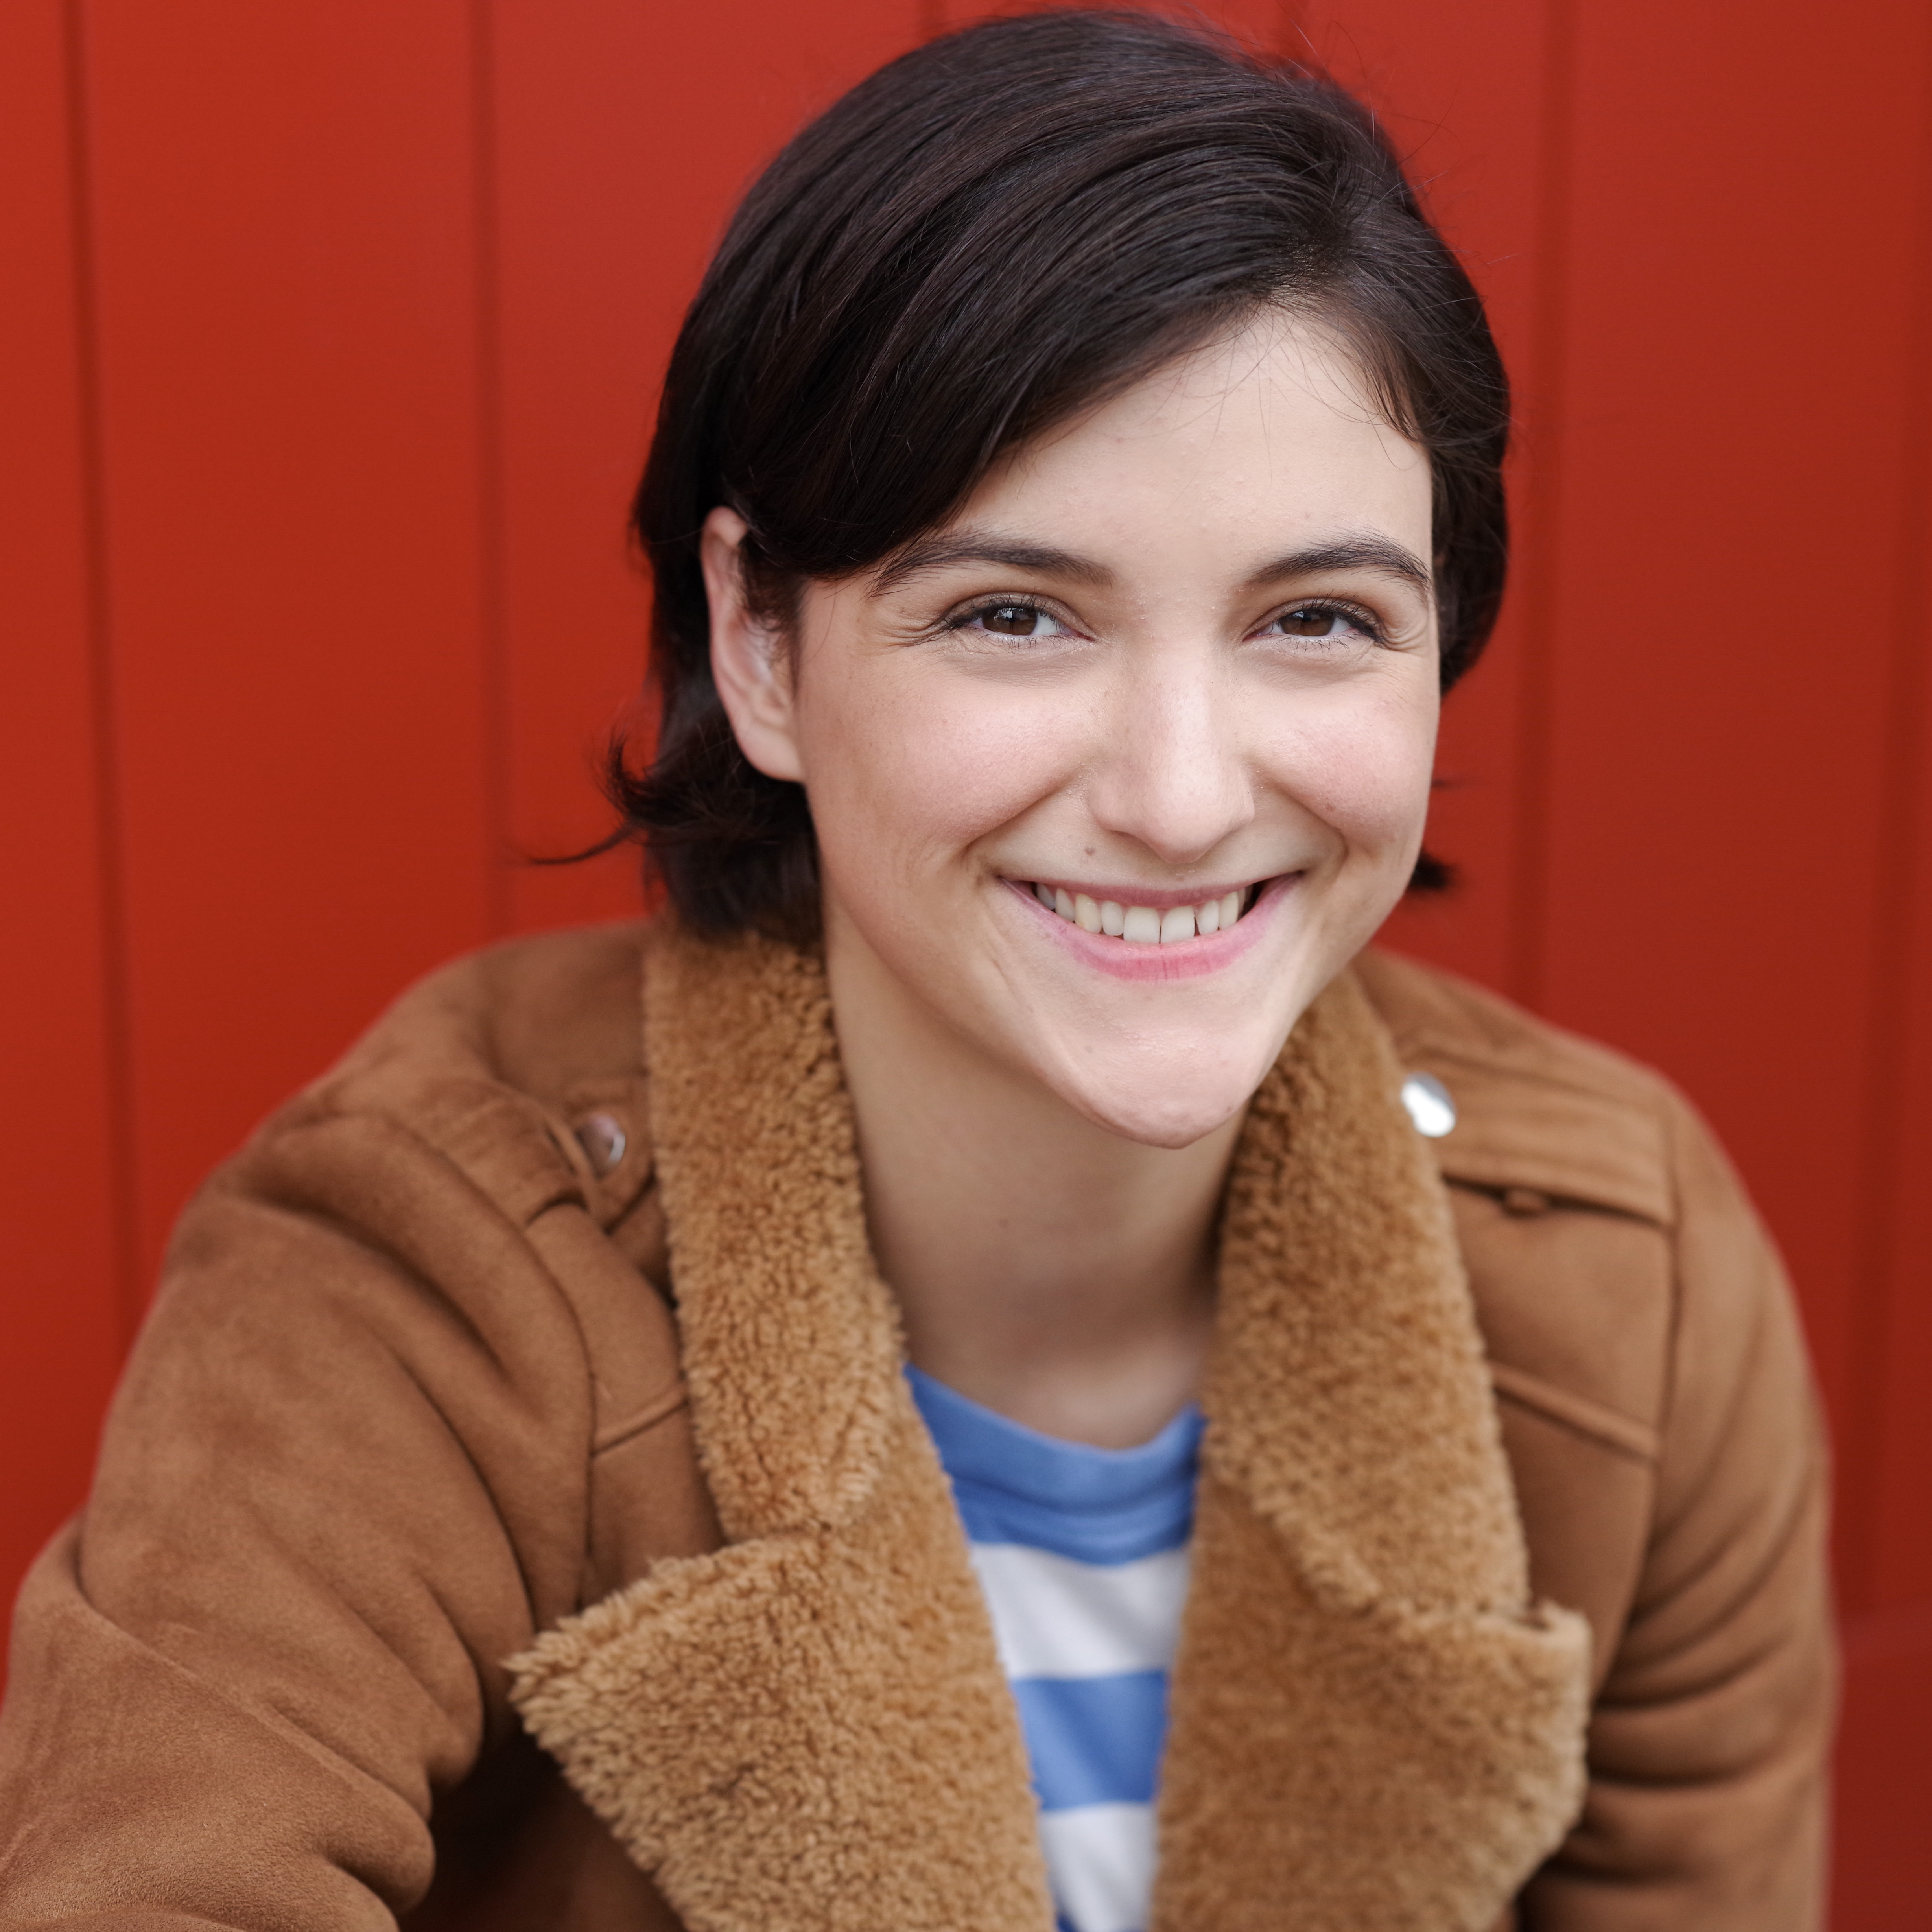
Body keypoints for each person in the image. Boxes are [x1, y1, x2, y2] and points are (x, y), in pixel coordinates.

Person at [0, 11, 1832, 1930]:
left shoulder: (1623, 1275)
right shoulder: (432, 1267)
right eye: (1014, 615)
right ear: (762, 644)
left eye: (1315, 618)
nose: (1182, 797)